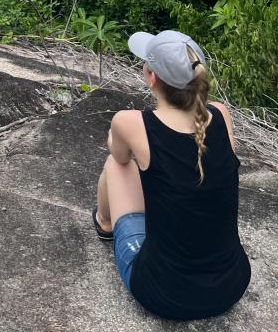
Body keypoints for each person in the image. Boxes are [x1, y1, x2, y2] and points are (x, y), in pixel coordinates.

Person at [93, 29, 251, 320]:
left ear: (151, 77)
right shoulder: (221, 114)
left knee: (117, 165)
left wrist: (118, 138)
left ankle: (104, 224)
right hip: (231, 285)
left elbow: (119, 155)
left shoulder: (130, 122)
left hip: (163, 294)